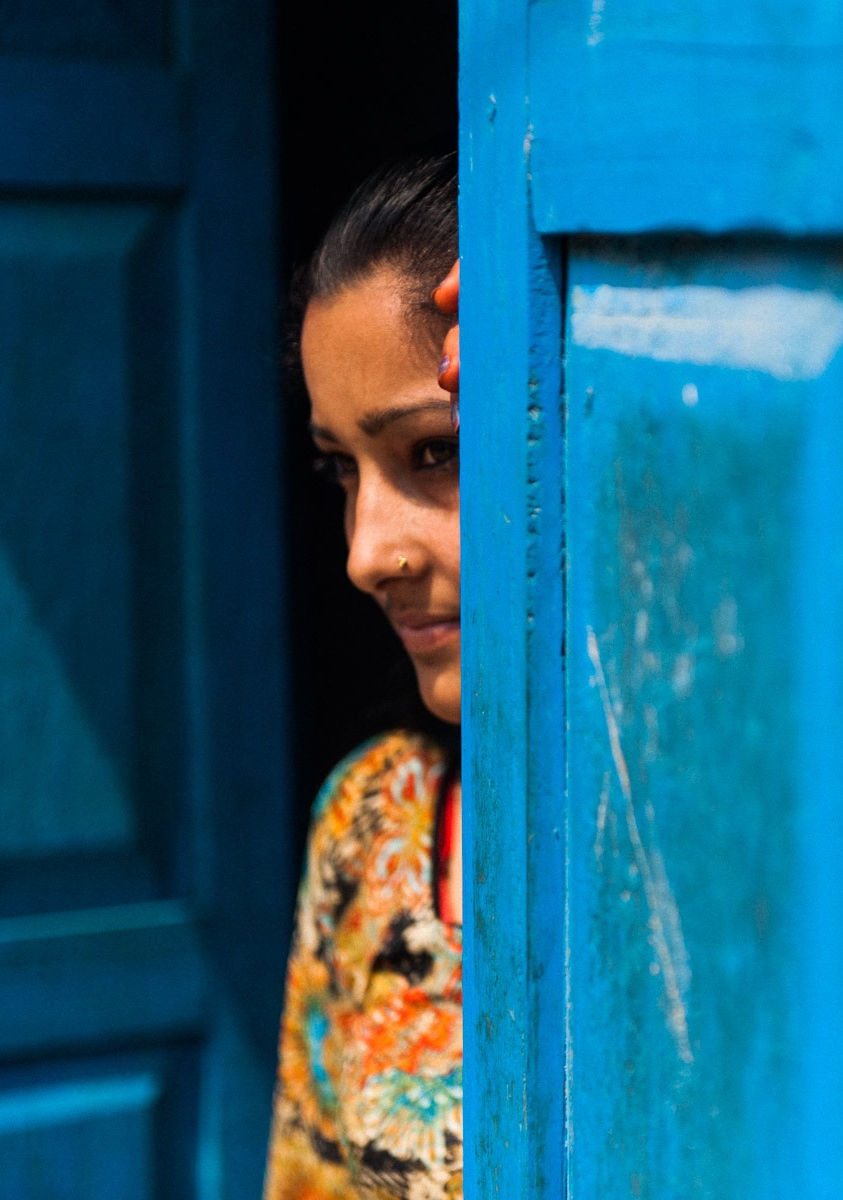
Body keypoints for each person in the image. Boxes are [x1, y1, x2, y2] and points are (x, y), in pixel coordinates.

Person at [265, 156, 464, 1200]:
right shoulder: (372, 824)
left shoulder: (757, 831)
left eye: (434, 453)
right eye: (343, 469)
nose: (364, 551)